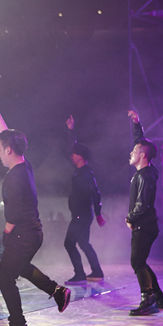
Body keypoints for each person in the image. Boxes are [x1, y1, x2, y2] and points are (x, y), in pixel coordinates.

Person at [0, 92, 71, 326]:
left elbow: (14, 213)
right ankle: (56, 291)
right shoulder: (25, 166)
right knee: (20, 267)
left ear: (9, 150)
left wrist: (6, 232)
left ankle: (18, 325)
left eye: (0, 150)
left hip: (22, 234)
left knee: (5, 279)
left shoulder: (13, 177)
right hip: (33, 232)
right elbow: (5, 136)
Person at [126, 110, 163, 315]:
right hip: (146, 225)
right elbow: (142, 144)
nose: (131, 152)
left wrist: (130, 218)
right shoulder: (147, 171)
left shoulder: (145, 176)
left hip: (144, 225)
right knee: (140, 261)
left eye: (134, 150)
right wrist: (136, 125)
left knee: (137, 261)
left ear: (142, 155)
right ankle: (157, 297)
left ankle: (148, 300)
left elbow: (142, 204)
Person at [63, 115, 106, 284]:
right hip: (82, 215)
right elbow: (72, 146)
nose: (71, 156)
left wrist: (99, 213)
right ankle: (97, 272)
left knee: (69, 243)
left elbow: (96, 192)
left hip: (81, 216)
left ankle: (80, 274)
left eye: (74, 154)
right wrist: (71, 131)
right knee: (84, 244)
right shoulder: (79, 170)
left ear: (80, 156)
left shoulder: (86, 173)